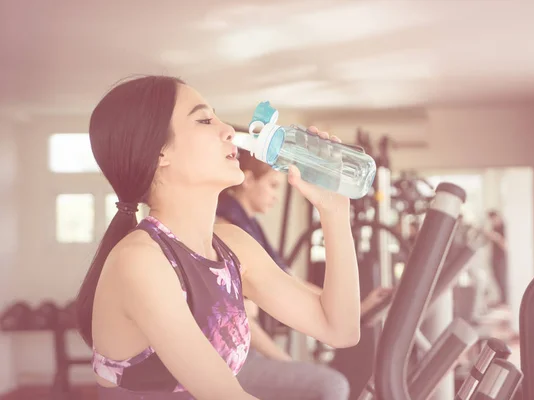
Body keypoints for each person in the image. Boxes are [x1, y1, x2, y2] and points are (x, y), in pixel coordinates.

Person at [75, 75, 362, 400]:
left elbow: (339, 329)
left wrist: (335, 212)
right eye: (204, 119)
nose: (228, 130)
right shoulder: (141, 260)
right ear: (159, 153)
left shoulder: (232, 246)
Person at [216, 150, 394, 400]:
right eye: (272, 186)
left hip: (241, 351)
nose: (276, 196)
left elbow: (289, 282)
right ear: (247, 181)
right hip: (234, 356)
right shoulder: (227, 232)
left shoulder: (244, 232)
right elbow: (243, 320)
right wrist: (286, 361)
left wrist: (359, 307)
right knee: (331, 386)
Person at [485, 210, 508, 305]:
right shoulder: (494, 227)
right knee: (497, 278)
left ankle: (505, 300)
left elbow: (506, 245)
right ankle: (502, 299)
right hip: (494, 257)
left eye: (493, 219)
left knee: (502, 279)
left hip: (502, 258)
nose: (492, 222)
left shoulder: (504, 228)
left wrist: (497, 237)